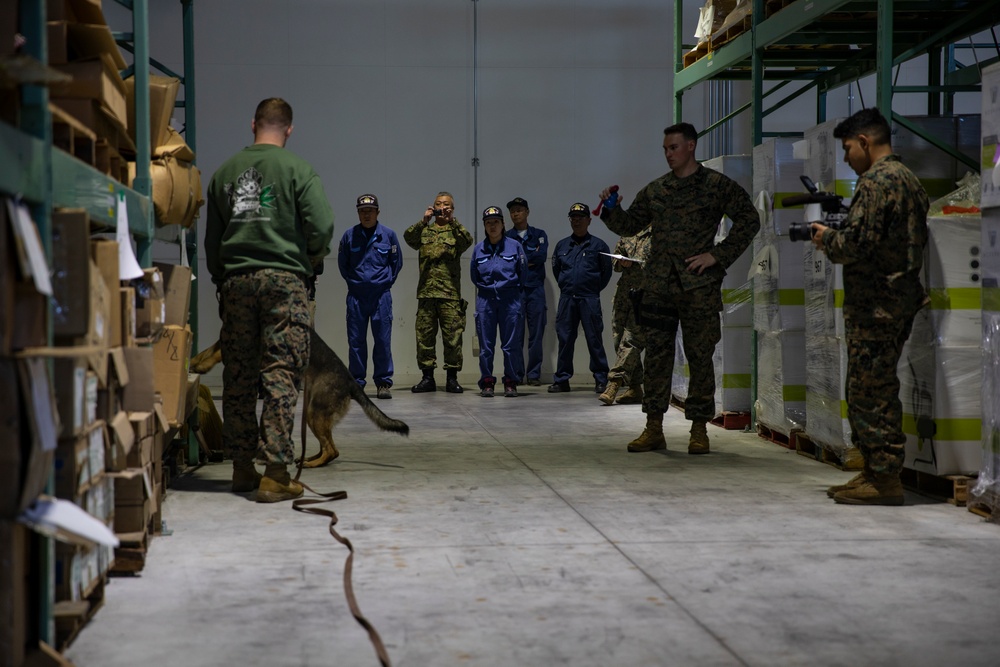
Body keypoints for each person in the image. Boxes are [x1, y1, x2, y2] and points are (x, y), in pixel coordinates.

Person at [599, 122, 758, 455]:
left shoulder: (716, 186)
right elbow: (630, 225)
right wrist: (611, 209)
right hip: (658, 286)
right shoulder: (657, 190)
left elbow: (749, 220)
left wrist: (717, 255)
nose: (668, 154)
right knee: (657, 357)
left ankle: (699, 429)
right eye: (665, 149)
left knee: (700, 358)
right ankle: (653, 428)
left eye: (673, 148)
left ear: (691, 146)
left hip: (698, 287)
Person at [204, 97, 334, 502]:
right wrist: (311, 257)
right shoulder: (298, 170)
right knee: (279, 374)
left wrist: (222, 277)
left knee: (239, 375)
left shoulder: (224, 172)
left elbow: (212, 242)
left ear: (253, 124)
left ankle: (242, 468)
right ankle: (276, 472)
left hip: (236, 283)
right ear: (289, 129)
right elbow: (323, 226)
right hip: (283, 282)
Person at [811, 108, 929, 506]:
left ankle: (883, 478)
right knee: (875, 386)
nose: (846, 158)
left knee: (870, 392)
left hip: (876, 305)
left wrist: (826, 237)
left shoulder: (877, 182)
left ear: (865, 142)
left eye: (847, 149)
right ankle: (875, 472)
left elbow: (858, 245)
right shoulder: (909, 180)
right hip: (897, 300)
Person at [403, 192, 473, 393]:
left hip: (449, 295)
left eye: (446, 204)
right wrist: (423, 220)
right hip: (426, 294)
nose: (442, 207)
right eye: (438, 204)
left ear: (452, 208)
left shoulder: (455, 232)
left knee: (453, 338)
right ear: (432, 207)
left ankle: (452, 378)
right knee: (424, 338)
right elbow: (409, 237)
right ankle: (427, 378)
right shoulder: (425, 231)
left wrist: (453, 221)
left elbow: (468, 241)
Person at [337, 194, 402, 400]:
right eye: (363, 211)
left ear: (378, 212)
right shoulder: (349, 236)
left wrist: (385, 283)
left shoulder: (389, 236)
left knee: (382, 341)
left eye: (370, 210)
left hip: (381, 297)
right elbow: (343, 264)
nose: (366, 214)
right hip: (356, 296)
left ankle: (383, 383)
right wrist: (355, 283)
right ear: (358, 213)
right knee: (356, 341)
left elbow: (396, 263)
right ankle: (357, 382)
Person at [548, 203, 613, 394]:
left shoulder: (599, 246)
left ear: (589, 220)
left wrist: (592, 289)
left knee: (594, 339)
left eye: (580, 217)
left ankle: (601, 379)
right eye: (573, 218)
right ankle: (562, 380)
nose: (576, 221)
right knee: (565, 339)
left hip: (589, 299)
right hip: (568, 299)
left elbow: (606, 273)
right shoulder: (562, 245)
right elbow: (556, 270)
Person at [471, 206, 527, 397]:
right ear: (484, 226)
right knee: (486, 346)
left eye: (496, 222)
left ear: (503, 224)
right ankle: (487, 382)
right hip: (485, 300)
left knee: (510, 345)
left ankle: (510, 381)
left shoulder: (515, 246)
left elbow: (523, 273)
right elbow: (474, 276)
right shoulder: (478, 249)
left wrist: (509, 290)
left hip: (509, 300)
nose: (492, 226)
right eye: (488, 223)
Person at [599, 225, 652, 406]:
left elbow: (661, 263)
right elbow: (616, 261)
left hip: (645, 294)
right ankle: (635, 388)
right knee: (618, 339)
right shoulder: (628, 232)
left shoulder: (659, 232)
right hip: (623, 294)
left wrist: (640, 262)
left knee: (632, 340)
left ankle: (614, 383)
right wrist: (621, 262)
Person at [504, 197, 549, 386]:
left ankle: (533, 374)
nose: (516, 214)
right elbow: (507, 262)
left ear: (527, 212)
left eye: (519, 210)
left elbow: (541, 256)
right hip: (515, 291)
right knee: (515, 334)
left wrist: (520, 260)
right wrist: (526, 260)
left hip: (535, 290)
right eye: (513, 211)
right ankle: (517, 374)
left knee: (536, 334)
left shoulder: (539, 234)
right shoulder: (506, 237)